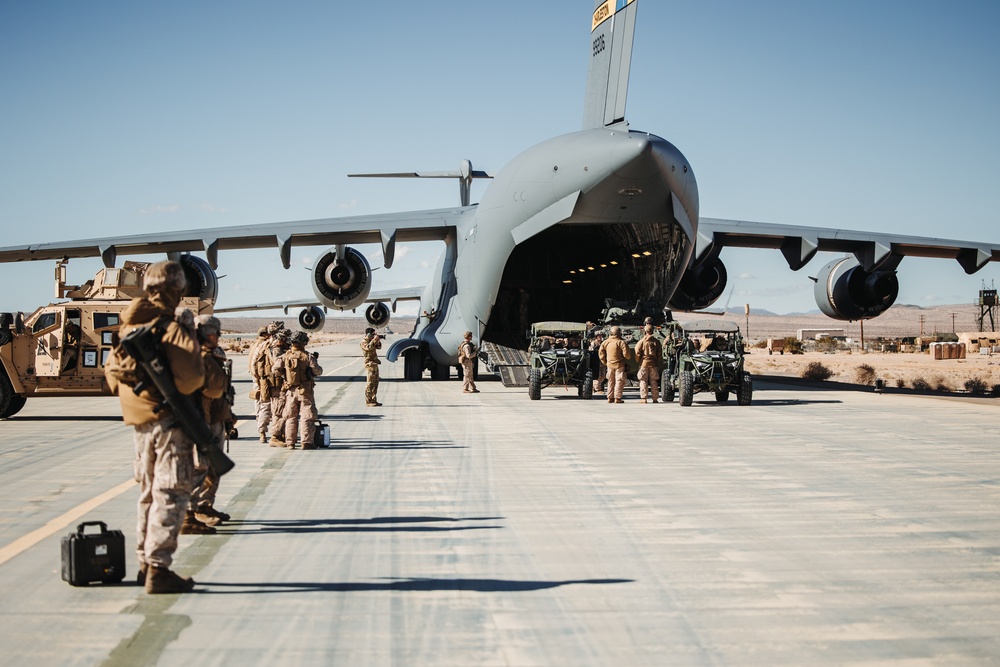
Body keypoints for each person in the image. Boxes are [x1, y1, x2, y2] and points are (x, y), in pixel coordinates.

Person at [104, 260, 203, 595]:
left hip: (141, 426)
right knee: (172, 493)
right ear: (177, 288)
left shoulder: (128, 328)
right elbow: (192, 378)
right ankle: (159, 569)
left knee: (147, 495)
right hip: (169, 424)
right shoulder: (169, 326)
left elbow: (112, 378)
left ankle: (145, 563)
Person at [187, 315, 232, 529]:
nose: (217, 337)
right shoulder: (194, 357)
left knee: (213, 467)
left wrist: (227, 416)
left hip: (215, 417)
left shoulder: (212, 356)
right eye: (214, 333)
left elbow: (219, 391)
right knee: (199, 467)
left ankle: (205, 505)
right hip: (200, 419)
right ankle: (190, 512)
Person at [274, 331, 324, 449]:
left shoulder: (285, 356)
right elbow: (318, 371)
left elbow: (275, 369)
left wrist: (285, 375)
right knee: (307, 416)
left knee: (290, 417)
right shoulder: (307, 356)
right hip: (305, 391)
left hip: (290, 391)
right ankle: (306, 442)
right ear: (303, 342)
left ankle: (290, 442)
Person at [599, 325, 632, 403]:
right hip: (619, 365)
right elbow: (627, 355)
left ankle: (610, 398)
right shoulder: (621, 342)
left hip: (609, 365)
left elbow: (601, 354)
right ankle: (617, 398)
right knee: (619, 381)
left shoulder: (605, 342)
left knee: (610, 381)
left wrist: (605, 362)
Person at [247, 326, 270, 442]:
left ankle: (258, 417)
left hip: (256, 377)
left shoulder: (254, 346)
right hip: (263, 378)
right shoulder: (264, 346)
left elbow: (251, 363)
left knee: (258, 400)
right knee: (266, 403)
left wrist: (255, 376)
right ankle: (263, 430)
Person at [634, 324, 663, 404]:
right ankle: (655, 398)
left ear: (645, 331)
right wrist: (657, 361)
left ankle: (644, 398)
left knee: (643, 380)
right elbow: (660, 354)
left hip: (644, 364)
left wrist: (639, 361)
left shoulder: (642, 341)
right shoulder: (656, 341)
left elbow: (637, 352)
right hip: (653, 364)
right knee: (654, 381)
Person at [361, 327, 382, 407]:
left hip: (374, 363)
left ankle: (373, 399)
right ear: (368, 334)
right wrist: (374, 340)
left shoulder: (371, 341)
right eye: (372, 334)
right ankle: (368, 400)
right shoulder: (364, 342)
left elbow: (378, 347)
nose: (374, 336)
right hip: (369, 364)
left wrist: (378, 341)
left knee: (375, 382)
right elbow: (368, 348)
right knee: (370, 383)